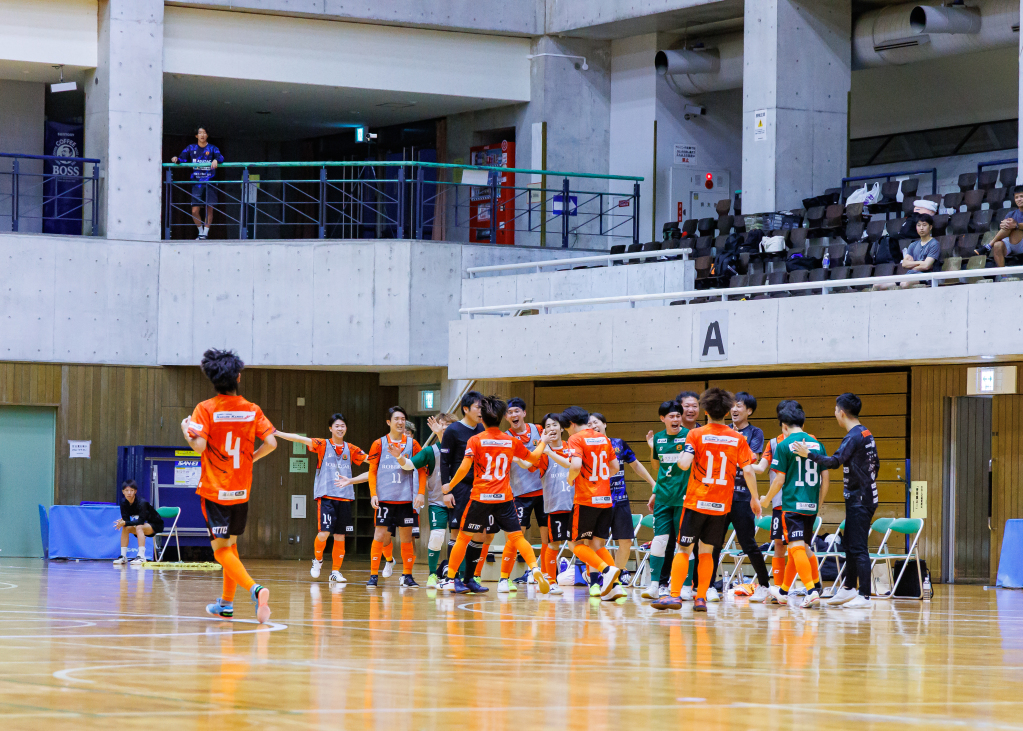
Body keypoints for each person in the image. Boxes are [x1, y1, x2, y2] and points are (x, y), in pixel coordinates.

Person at [180, 348, 277, 623]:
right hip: (241, 489)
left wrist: (185, 429)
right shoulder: (252, 409)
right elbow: (271, 443)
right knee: (231, 547)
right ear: (238, 377)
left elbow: (199, 446)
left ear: (213, 379)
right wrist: (250, 459)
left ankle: (255, 589)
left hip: (215, 490)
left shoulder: (205, 408)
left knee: (221, 550)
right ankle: (226, 604)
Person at [652, 388, 756, 612]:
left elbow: (684, 464)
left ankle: (674, 596)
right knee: (707, 551)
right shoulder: (737, 438)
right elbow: (748, 471)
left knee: (684, 549)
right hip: (720, 505)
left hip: (696, 502)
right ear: (727, 412)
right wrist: (755, 499)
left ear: (705, 411)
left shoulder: (695, 434)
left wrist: (679, 457)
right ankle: (701, 597)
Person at [442, 396, 554, 594]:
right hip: (504, 497)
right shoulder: (510, 441)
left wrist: (449, 486)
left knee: (463, 537)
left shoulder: (475, 440)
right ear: (502, 417)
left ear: (482, 419)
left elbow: (464, 468)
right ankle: (535, 568)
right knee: (517, 537)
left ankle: (450, 578)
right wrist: (543, 442)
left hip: (480, 497)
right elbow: (533, 458)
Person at [794, 393, 879, 609]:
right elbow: (875, 464)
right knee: (849, 544)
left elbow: (834, 461)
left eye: (834, 410)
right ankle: (849, 587)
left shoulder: (853, 437)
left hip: (860, 500)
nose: (834, 414)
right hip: (862, 497)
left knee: (858, 547)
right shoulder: (866, 432)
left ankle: (865, 595)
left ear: (841, 412)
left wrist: (808, 454)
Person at [275, 413, 368, 584]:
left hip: (345, 497)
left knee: (340, 536)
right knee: (324, 533)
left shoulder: (351, 449)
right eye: (337, 426)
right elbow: (299, 439)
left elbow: (371, 460)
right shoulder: (323, 444)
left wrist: (395, 460)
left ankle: (335, 572)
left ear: (346, 428)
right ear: (330, 428)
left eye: (343, 426)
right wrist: (278, 433)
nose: (340, 428)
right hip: (326, 496)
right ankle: (317, 560)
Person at [760, 402, 830, 608]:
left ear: (784, 425)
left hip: (792, 505)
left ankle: (811, 590)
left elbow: (779, 480)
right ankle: (783, 591)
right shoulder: (818, 444)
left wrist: (766, 499)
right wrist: (819, 503)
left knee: (796, 547)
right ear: (803, 423)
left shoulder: (783, 446)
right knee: (795, 549)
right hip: (811, 506)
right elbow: (826, 479)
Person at [710, 391, 769, 601]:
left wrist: (734, 447)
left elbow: (751, 461)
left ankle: (764, 585)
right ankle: (708, 586)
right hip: (720, 496)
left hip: (743, 496)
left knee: (748, 543)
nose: (734, 409)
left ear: (749, 411)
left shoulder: (755, 433)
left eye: (739, 406)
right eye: (732, 406)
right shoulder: (722, 431)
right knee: (714, 543)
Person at [563, 405, 626, 601]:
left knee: (574, 543)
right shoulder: (603, 438)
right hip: (605, 499)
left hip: (586, 499)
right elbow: (615, 467)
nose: (567, 432)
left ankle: (606, 570)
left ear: (571, 424)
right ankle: (616, 586)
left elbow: (575, 466)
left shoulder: (576, 438)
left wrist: (570, 478)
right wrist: (599, 480)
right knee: (597, 544)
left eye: (566, 428)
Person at [588, 412, 655, 586]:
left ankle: (614, 577)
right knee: (596, 542)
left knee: (626, 541)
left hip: (620, 500)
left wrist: (653, 483)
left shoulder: (618, 444)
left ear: (604, 424)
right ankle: (596, 579)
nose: (593, 426)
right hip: (598, 501)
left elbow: (636, 465)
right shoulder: (587, 446)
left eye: (596, 422)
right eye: (589, 424)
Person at [392, 413, 458, 587]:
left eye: (449, 424)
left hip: (460, 501)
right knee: (436, 536)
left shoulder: (462, 447)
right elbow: (409, 465)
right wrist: (399, 457)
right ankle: (432, 574)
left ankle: (459, 576)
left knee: (460, 539)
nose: (445, 427)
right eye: (442, 424)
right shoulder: (430, 451)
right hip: (438, 502)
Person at [366, 406, 426, 588]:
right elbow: (372, 471)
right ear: (388, 422)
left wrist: (421, 493)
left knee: (406, 538)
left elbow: (421, 470)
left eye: (403, 419)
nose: (400, 422)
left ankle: (407, 575)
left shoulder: (413, 444)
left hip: (406, 499)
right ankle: (373, 575)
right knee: (380, 535)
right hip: (385, 499)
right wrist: (373, 494)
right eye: (396, 419)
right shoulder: (379, 444)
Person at [642, 401, 693, 601]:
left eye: (678, 416)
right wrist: (652, 447)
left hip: (684, 498)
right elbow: (657, 467)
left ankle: (686, 586)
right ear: (662, 418)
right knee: (659, 540)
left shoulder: (690, 436)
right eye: (671, 416)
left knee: (685, 542)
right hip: (663, 497)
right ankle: (655, 586)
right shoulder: (658, 438)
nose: (676, 419)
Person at [439, 391, 485, 590]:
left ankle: (470, 579)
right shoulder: (453, 430)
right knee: (457, 532)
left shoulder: (482, 428)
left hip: (480, 487)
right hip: (459, 487)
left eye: (483, 407)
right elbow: (444, 462)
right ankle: (452, 578)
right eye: (478, 407)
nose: (481, 411)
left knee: (479, 533)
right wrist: (446, 491)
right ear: (466, 409)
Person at [502, 398, 546, 588]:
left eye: (516, 411)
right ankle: (505, 578)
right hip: (519, 494)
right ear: (506, 417)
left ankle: (547, 575)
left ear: (524, 413)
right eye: (509, 412)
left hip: (544, 492)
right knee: (515, 537)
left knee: (548, 537)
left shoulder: (539, 430)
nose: (513, 415)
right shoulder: (505, 438)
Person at [538, 412, 572, 595]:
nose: (552, 428)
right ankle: (551, 581)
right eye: (548, 426)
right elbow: (529, 464)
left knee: (581, 544)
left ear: (562, 428)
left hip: (575, 504)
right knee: (553, 544)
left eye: (555, 425)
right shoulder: (543, 452)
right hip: (556, 505)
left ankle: (593, 579)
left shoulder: (572, 447)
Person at [171, 126, 224, 240]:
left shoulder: (212, 148)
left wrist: (216, 160)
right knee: (194, 210)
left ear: (207, 135)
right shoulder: (191, 148)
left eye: (204, 133)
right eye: (200, 133)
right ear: (196, 136)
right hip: (196, 183)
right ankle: (200, 232)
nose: (202, 135)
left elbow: (221, 157)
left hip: (210, 182)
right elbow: (182, 159)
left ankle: (205, 233)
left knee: (209, 208)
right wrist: (175, 159)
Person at [875, 214, 939, 290]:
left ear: (930, 227)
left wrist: (912, 265)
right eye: (919, 225)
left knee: (904, 284)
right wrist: (921, 263)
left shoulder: (934, 244)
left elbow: (926, 266)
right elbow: (904, 264)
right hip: (909, 275)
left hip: (925, 277)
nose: (921, 228)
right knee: (877, 285)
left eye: (924, 225)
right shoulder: (913, 245)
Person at [113, 479, 164, 565]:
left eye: (131, 490)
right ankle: (123, 556)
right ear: (123, 492)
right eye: (126, 490)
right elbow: (126, 521)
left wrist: (125, 522)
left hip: (155, 525)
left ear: (135, 491)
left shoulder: (142, 502)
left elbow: (140, 521)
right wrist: (123, 522)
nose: (129, 493)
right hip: (142, 526)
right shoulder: (123, 502)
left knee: (139, 526)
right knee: (125, 527)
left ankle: (141, 556)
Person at [988, 186, 1023, 267]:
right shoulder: (1011, 214)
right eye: (1016, 197)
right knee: (997, 245)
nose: (1019, 199)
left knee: (1013, 227)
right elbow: (1004, 229)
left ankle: (989, 245)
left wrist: (1016, 225)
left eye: (1021, 196)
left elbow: (1014, 226)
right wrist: (1003, 225)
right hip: (1012, 242)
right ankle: (1003, 274)